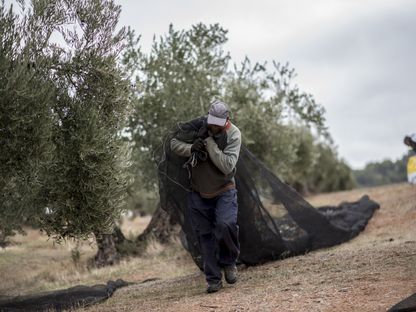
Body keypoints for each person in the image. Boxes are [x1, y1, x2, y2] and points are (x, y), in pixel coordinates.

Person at [170, 100, 242, 293]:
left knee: (226, 225)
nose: (212, 125)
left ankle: (229, 262)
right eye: (211, 120)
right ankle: (213, 279)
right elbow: (173, 143)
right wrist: (192, 148)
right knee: (204, 236)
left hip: (224, 189)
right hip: (198, 192)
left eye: (217, 122)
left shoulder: (234, 134)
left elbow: (227, 165)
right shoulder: (198, 125)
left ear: (226, 120)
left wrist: (209, 145)